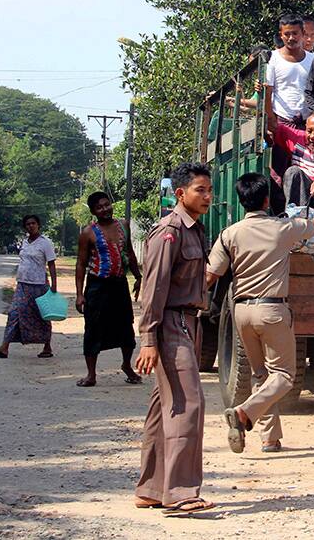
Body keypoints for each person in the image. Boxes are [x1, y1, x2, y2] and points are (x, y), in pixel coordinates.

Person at [208, 173, 314, 454]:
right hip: (272, 310)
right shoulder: (282, 228)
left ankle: (269, 438)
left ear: (241, 201)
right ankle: (243, 412)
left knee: (261, 374)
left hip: (241, 311)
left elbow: (211, 274)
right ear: (267, 199)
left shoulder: (229, 234)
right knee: (285, 376)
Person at [133, 163, 215, 514]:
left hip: (186, 322)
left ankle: (151, 488)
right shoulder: (169, 231)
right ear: (180, 194)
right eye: (201, 190)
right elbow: (153, 289)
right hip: (170, 324)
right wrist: (148, 338)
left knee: (161, 408)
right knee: (187, 406)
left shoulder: (194, 229)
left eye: (209, 190)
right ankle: (181, 492)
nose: (208, 196)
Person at [74, 192, 142, 387]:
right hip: (97, 286)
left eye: (107, 204)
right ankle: (91, 374)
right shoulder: (88, 233)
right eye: (99, 207)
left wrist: (138, 277)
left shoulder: (123, 225)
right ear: (94, 211)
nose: (105, 209)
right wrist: (79, 294)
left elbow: (129, 252)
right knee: (93, 328)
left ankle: (127, 366)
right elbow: (80, 264)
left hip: (119, 285)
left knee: (126, 327)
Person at [0, 215, 57, 359]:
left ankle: (47, 347)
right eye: (28, 224)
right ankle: (4, 347)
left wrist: (54, 285)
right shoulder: (25, 242)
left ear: (38, 225)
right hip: (23, 285)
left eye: (33, 223)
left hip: (39, 285)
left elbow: (51, 264)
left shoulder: (45, 243)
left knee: (43, 316)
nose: (31, 226)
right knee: (14, 312)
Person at [264, 13, 314, 127]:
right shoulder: (272, 58)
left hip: (308, 122)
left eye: (295, 33)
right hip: (282, 120)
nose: (291, 38)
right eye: (287, 34)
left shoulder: (313, 59)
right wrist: (270, 118)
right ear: (281, 35)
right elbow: (268, 91)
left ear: (303, 33)